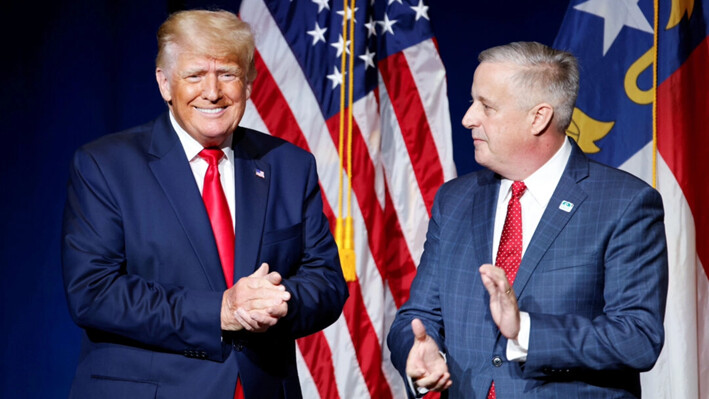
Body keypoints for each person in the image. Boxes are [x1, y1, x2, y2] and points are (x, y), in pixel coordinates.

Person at [61, 9, 348, 399]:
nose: (212, 92)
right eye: (195, 75)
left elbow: (327, 282)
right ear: (165, 83)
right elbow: (94, 292)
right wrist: (220, 310)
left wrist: (280, 302)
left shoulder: (290, 166)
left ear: (248, 83)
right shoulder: (106, 166)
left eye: (228, 74)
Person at [387, 41, 668, 398]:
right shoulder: (454, 199)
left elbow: (638, 338)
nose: (468, 118)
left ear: (538, 117)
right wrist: (417, 352)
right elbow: (419, 314)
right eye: (473, 102)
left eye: (486, 106)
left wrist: (525, 331)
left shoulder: (624, 204)